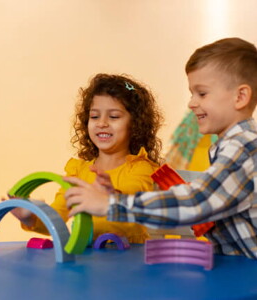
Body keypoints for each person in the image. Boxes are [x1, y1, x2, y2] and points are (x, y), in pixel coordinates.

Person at [64, 37, 257, 259]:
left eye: (202, 93)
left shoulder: (244, 147)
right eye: (192, 93)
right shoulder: (228, 146)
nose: (192, 103)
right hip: (238, 267)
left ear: (240, 97)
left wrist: (111, 204)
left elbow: (196, 203)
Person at [9, 73, 164, 244]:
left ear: (135, 125)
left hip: (129, 257)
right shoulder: (78, 171)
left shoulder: (140, 167)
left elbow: (135, 199)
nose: (102, 123)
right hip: (89, 257)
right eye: (94, 116)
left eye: (113, 116)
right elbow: (57, 219)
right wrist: (30, 217)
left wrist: (111, 197)